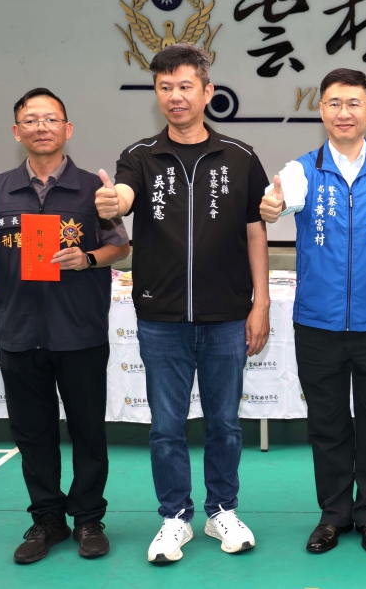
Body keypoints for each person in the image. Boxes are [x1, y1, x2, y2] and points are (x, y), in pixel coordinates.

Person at [95, 44, 271, 564]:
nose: (175, 96)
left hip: (226, 316)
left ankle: (222, 511)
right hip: (161, 317)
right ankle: (174, 517)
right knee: (167, 427)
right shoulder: (140, 156)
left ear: (207, 92)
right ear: (157, 93)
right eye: (165, 87)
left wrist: (260, 303)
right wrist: (114, 201)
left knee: (225, 424)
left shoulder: (239, 156)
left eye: (185, 86)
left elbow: (256, 232)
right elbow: (124, 195)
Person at [0, 88, 130, 563]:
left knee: (88, 430)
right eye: (31, 120)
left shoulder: (92, 189)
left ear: (67, 128)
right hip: (19, 332)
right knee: (32, 433)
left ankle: (89, 518)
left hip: (79, 331)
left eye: (51, 119)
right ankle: (47, 520)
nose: (41, 127)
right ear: (17, 132)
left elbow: (121, 247)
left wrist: (88, 258)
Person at [259, 68, 366, 555]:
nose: (344, 113)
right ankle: (333, 514)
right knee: (326, 422)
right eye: (333, 103)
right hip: (318, 321)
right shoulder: (301, 169)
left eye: (353, 103)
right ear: (321, 109)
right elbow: (280, 202)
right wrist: (273, 205)